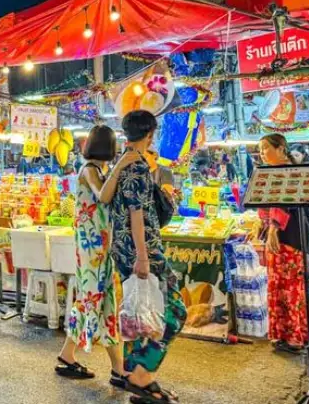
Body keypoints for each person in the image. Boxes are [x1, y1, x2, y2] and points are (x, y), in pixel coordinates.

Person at [110, 111, 186, 404]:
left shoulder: (121, 163)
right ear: (151, 134)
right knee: (175, 312)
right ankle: (143, 374)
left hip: (124, 251)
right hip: (144, 251)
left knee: (138, 310)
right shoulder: (138, 168)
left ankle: (135, 376)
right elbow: (137, 215)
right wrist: (143, 257)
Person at [55, 126, 138, 384]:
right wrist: (123, 163)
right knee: (96, 300)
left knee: (95, 300)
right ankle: (117, 369)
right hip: (93, 249)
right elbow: (103, 196)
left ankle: (71, 356)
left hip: (97, 247)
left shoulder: (98, 170)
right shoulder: (91, 170)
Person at [258, 134, 309, 354]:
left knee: (293, 288)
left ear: (281, 148)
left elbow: (286, 204)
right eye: (260, 149)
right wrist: (263, 222)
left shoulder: (293, 173)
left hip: (291, 238)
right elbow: (264, 203)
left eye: (265, 148)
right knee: (277, 286)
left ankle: (296, 335)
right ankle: (281, 334)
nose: (262, 153)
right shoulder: (266, 174)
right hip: (275, 241)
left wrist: (273, 226)